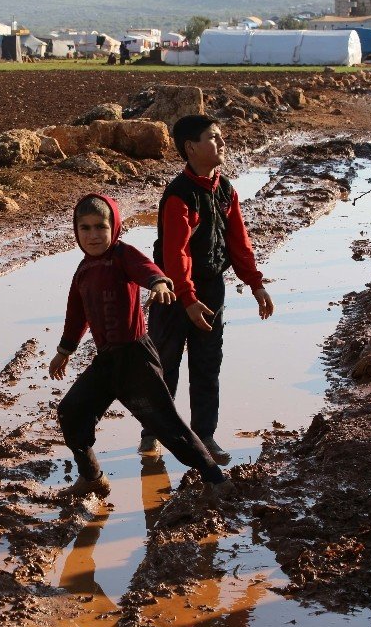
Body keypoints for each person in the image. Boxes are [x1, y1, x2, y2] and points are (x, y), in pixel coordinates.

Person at [49, 193, 233, 499]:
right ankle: (92, 476)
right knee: (72, 412)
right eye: (86, 228)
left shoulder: (124, 255)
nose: (94, 235)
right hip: (107, 362)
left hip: (136, 360)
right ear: (76, 231)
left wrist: (160, 284)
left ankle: (216, 479)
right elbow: (76, 314)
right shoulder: (83, 270)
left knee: (167, 425)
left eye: (100, 227)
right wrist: (64, 351)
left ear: (114, 227)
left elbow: (148, 270)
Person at [140, 115, 274, 465]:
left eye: (221, 135)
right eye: (213, 137)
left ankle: (205, 437)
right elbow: (176, 253)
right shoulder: (179, 196)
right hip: (172, 293)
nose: (222, 142)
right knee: (165, 364)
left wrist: (256, 284)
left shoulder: (226, 190)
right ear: (191, 148)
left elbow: (239, 243)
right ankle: (153, 432)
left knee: (207, 364)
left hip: (211, 289)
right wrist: (188, 299)